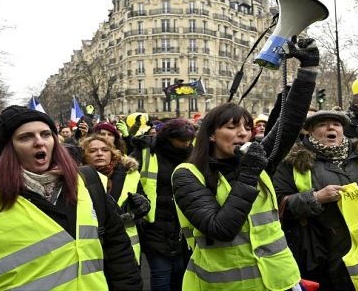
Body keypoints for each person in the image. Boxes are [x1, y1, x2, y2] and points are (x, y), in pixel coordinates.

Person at [0, 105, 142, 290]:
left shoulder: (88, 181)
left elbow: (119, 255)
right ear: (9, 148)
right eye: (26, 137)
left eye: (46, 134)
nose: (39, 142)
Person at [171, 38, 318, 290]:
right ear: (211, 134)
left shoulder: (257, 158)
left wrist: (308, 70)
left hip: (280, 280)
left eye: (247, 127)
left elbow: (290, 122)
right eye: (232, 127)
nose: (243, 133)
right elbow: (220, 228)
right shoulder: (187, 175)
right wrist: (249, 175)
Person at [272, 110, 358, 290]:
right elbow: (278, 205)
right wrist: (316, 198)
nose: (330, 128)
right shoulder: (292, 162)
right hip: (321, 255)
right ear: (310, 132)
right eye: (322, 125)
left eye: (336, 124)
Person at [130, 118, 196, 291]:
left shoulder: (193, 153)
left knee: (180, 272)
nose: (186, 144)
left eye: (189, 140)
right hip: (153, 222)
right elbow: (130, 178)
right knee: (161, 272)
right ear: (169, 138)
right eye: (182, 140)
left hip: (182, 222)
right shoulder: (147, 151)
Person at [80, 134, 150, 265]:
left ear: (112, 153)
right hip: (90, 250)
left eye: (105, 150)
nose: (100, 153)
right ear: (84, 155)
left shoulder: (129, 173)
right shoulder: (76, 177)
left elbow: (143, 205)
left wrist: (140, 207)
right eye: (93, 151)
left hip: (126, 249)